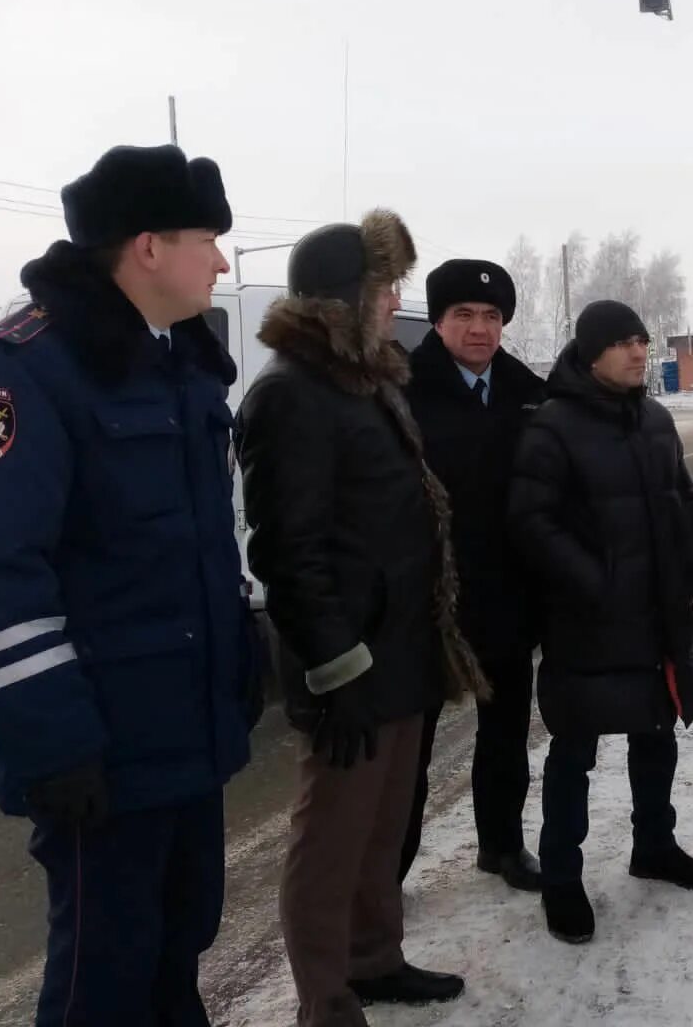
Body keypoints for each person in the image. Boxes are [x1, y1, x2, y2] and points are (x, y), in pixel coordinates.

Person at [0, 144, 259, 1025]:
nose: (222, 261)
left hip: (187, 734)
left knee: (178, 951)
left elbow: (199, 547)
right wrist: (54, 745)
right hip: (102, 756)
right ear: (148, 246)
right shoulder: (20, 370)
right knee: (101, 985)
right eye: (209, 239)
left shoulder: (182, 364)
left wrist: (243, 653)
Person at [235, 212, 488, 1026]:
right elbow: (287, 551)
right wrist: (335, 669)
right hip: (349, 665)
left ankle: (375, 961)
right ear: (348, 297)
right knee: (331, 842)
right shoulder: (290, 392)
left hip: (403, 649)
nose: (395, 300)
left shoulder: (370, 380)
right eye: (385, 287)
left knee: (384, 829)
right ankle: (325, 999)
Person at [509, 300, 693, 944]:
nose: (638, 353)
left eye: (642, 342)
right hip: (588, 622)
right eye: (624, 343)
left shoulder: (654, 419)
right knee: (575, 751)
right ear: (592, 351)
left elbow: (680, 494)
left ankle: (654, 845)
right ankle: (563, 880)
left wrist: (692, 558)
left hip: (657, 614)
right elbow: (530, 521)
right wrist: (594, 581)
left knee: (657, 734)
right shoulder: (554, 426)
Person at [399, 259, 547, 891]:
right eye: (464, 315)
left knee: (507, 732)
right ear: (438, 321)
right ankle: (389, 870)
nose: (480, 328)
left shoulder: (527, 391)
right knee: (413, 748)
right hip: (428, 597)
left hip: (507, 593)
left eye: (491, 316)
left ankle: (502, 845)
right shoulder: (403, 390)